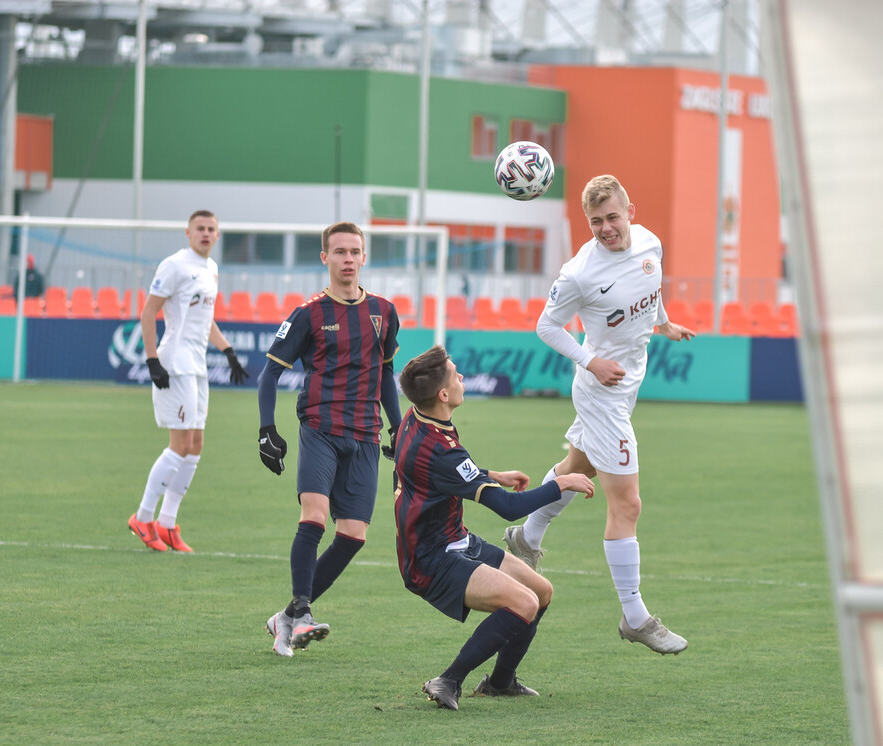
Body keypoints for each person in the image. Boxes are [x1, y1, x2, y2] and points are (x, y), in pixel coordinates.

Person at [503, 175, 694, 655]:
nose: (606, 228)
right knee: (627, 503)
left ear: (631, 208)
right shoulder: (578, 273)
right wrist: (590, 360)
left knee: (577, 468)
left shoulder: (649, 241)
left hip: (629, 380)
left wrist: (664, 323)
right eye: (595, 222)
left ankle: (526, 535)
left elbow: (651, 286)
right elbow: (547, 326)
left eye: (612, 217)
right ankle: (635, 617)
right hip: (600, 390)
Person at [393, 345, 595, 710]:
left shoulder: (417, 417)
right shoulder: (443, 449)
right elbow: (506, 508)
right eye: (456, 375)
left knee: (541, 592)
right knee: (524, 602)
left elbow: (442, 475)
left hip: (453, 540)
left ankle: (500, 682)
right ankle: (448, 680)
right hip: (430, 559)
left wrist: (490, 475)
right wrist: (560, 484)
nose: (462, 379)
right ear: (443, 394)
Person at [256, 220, 403, 657]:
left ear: (364, 256)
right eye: (339, 252)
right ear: (325, 258)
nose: (348, 260)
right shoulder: (308, 314)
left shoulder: (384, 311)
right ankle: (301, 612)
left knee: (354, 535)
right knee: (315, 516)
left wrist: (399, 428)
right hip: (320, 426)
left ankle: (286, 618)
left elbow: (386, 374)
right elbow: (270, 374)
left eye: (355, 251)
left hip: (364, 433)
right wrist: (267, 430)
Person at [128, 209, 250, 552]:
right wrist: (152, 360)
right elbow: (148, 312)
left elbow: (205, 320)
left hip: (197, 365)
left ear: (218, 234)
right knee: (179, 443)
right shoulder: (174, 265)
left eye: (212, 229)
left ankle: (167, 523)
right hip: (175, 362)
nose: (207, 233)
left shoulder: (211, 269)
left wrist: (227, 352)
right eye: (201, 228)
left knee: (195, 444)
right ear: (188, 232)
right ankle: (142, 516)